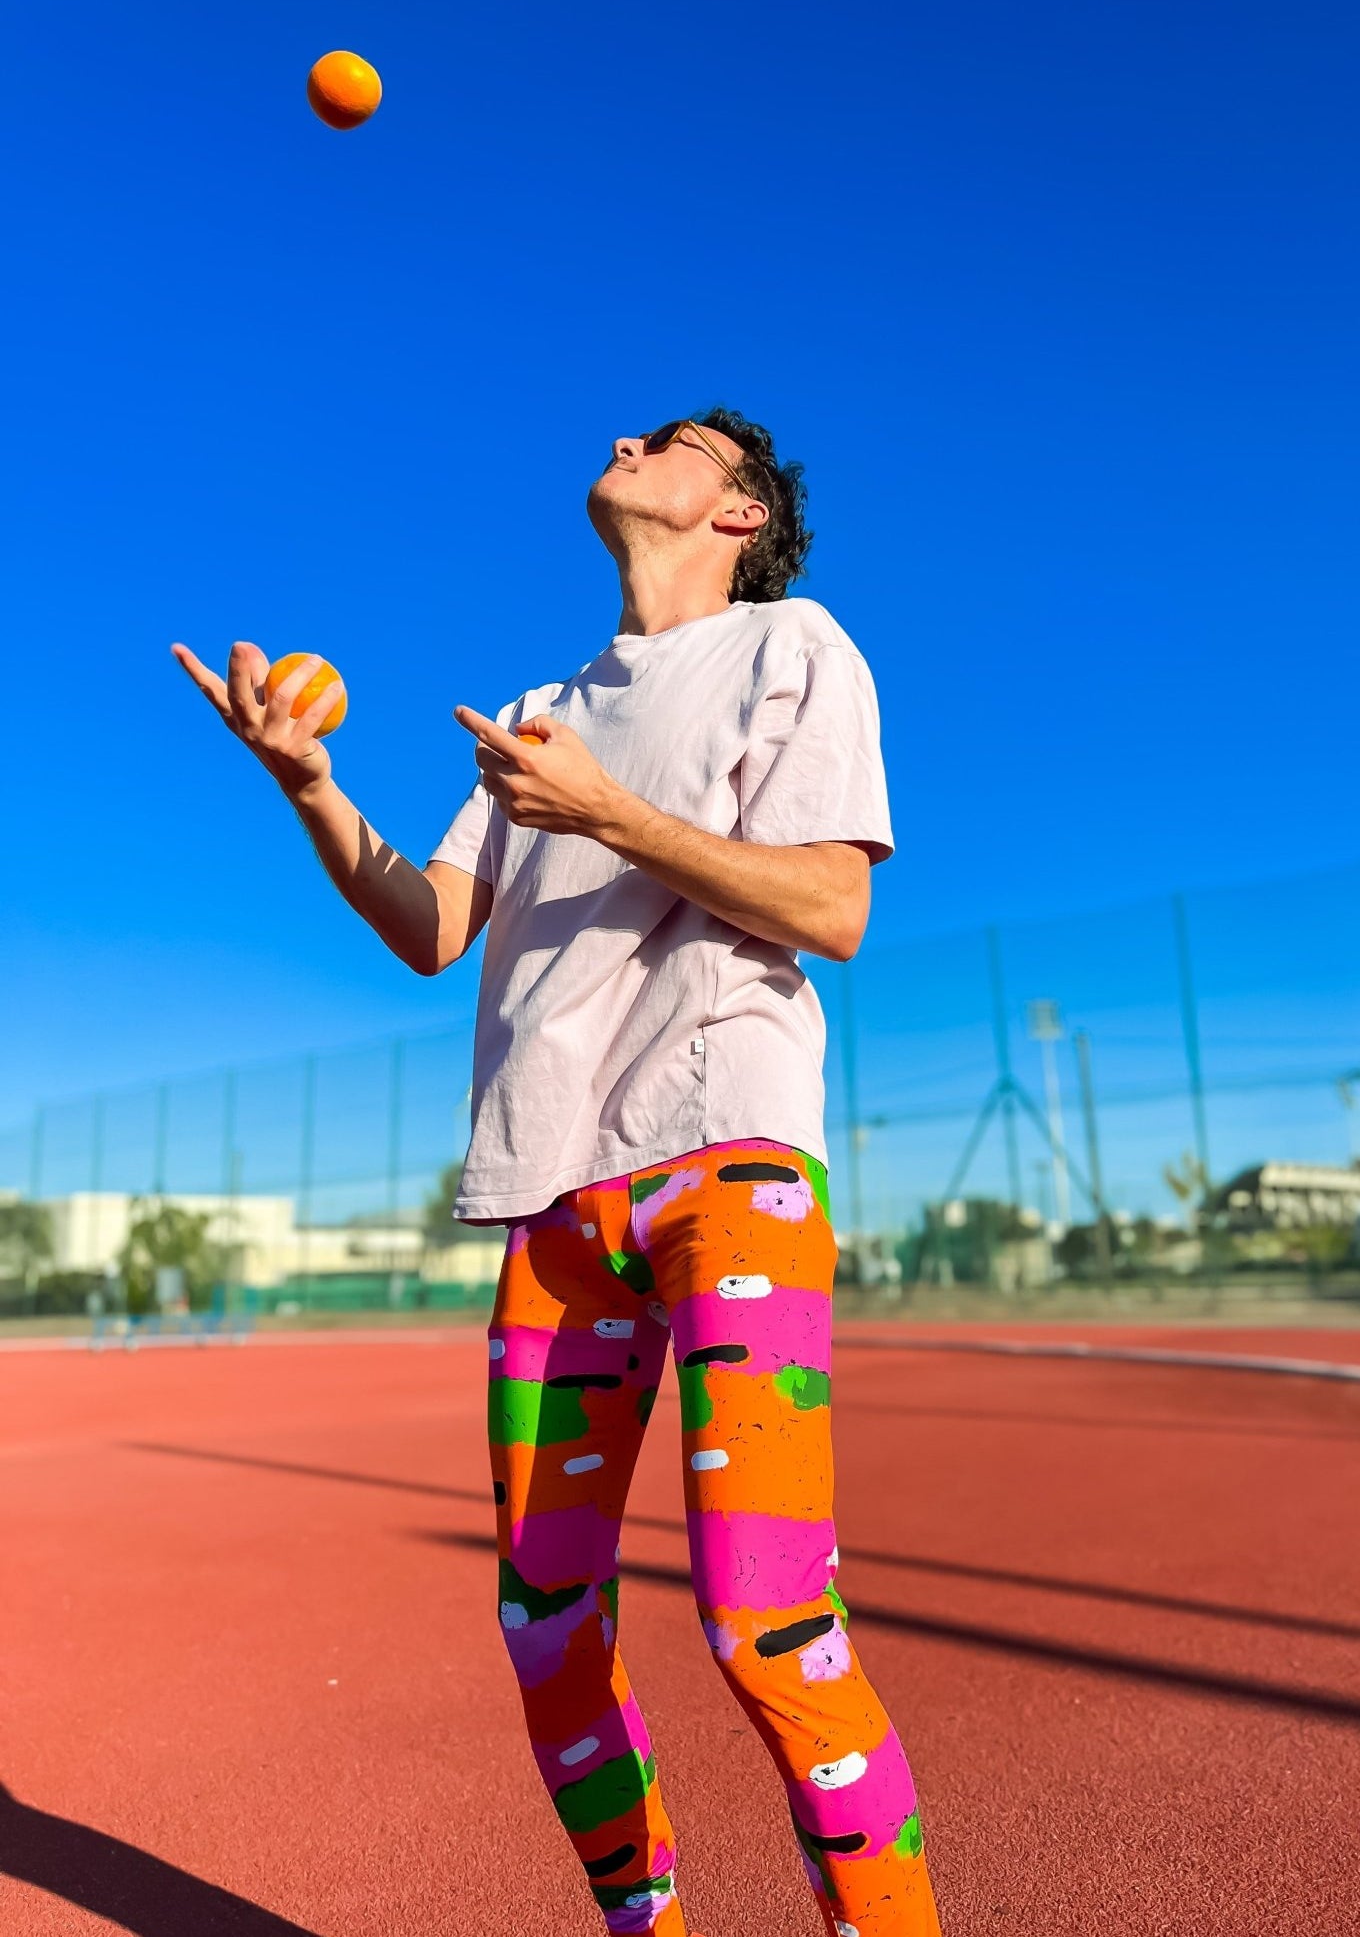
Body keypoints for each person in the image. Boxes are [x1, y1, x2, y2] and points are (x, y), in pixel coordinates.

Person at [172, 409, 941, 1937]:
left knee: (767, 1622)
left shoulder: (794, 646)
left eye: (672, 441)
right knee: (546, 1632)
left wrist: (611, 813)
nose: (625, 439)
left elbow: (833, 908)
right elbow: (432, 928)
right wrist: (308, 785)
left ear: (738, 516)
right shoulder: (536, 712)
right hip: (554, 1198)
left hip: (728, 1166)